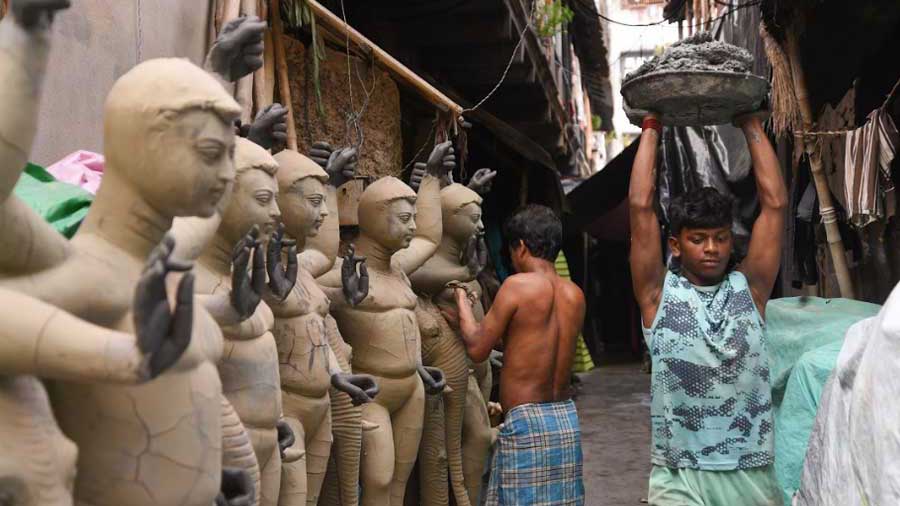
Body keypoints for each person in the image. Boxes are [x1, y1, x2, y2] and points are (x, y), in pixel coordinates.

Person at [628, 111, 787, 505]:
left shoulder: (750, 290)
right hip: (679, 475)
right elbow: (640, 208)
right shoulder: (657, 297)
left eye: (720, 238)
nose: (712, 248)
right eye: (698, 239)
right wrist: (652, 126)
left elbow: (777, 205)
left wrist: (750, 121)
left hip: (749, 471)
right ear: (676, 245)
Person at [446, 204, 586, 506]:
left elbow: (477, 348)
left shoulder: (517, 287)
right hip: (565, 418)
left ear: (520, 247)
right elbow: (532, 343)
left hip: (527, 420)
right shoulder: (574, 294)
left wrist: (461, 303)